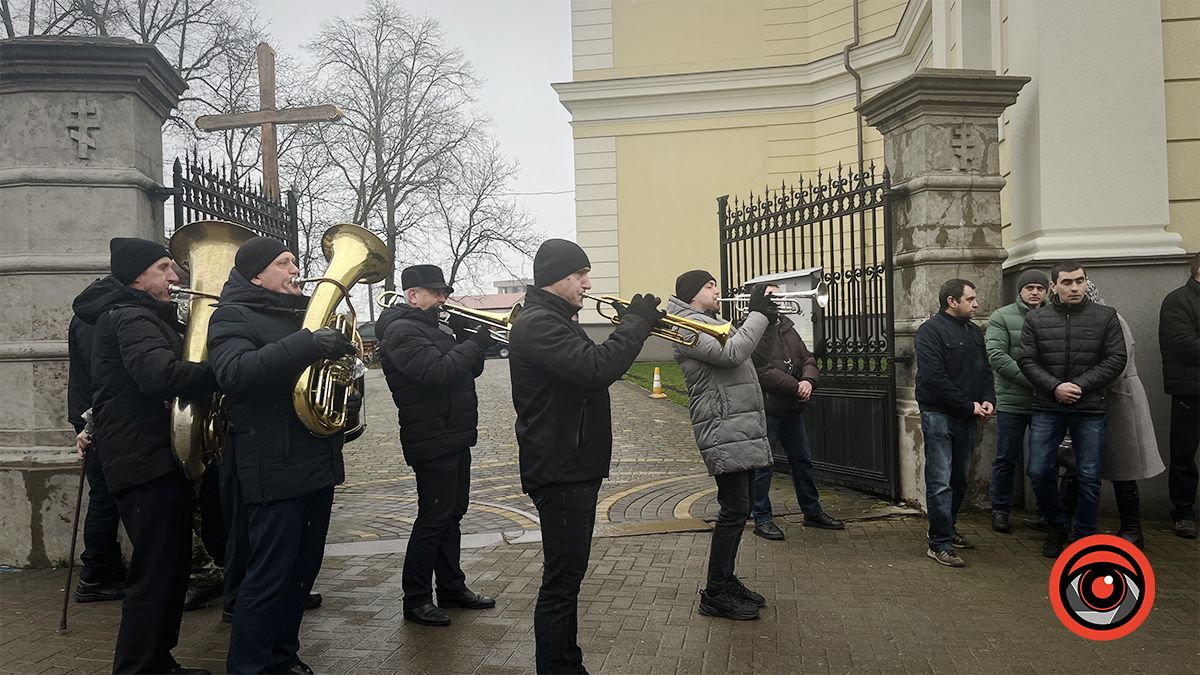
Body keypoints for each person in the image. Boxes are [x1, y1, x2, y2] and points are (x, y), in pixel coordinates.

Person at [509, 238, 662, 674]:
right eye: (580, 275)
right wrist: (634, 325)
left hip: (570, 464)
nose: (587, 283)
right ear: (558, 279)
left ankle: (566, 662)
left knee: (569, 578)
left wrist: (635, 324)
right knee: (562, 581)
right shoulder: (539, 323)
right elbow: (597, 369)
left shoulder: (554, 318)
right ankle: (558, 667)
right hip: (560, 469)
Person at [208, 237, 359, 675]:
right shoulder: (232, 315)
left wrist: (344, 392)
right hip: (272, 465)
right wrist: (310, 343)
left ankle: (281, 656)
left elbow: (317, 382)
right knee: (269, 577)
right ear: (257, 274)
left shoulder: (299, 317)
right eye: (283, 262)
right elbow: (235, 374)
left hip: (314, 462)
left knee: (301, 573)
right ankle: (249, 667)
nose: (296, 268)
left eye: (294, 260)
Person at [74, 237, 219, 674]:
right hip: (143, 462)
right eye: (163, 268)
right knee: (156, 573)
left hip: (152, 458)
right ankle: (139, 667)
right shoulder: (131, 316)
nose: (175, 277)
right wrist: (224, 373)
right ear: (137, 276)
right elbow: (159, 376)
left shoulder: (143, 315)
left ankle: (156, 660)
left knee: (170, 569)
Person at [376, 264, 496, 627]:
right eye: (436, 293)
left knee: (452, 514)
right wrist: (473, 344)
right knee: (433, 518)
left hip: (451, 434)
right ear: (413, 295)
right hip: (432, 438)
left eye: (445, 292)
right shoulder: (400, 332)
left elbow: (464, 370)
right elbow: (437, 373)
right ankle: (415, 598)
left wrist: (464, 340)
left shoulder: (430, 327)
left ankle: (451, 587)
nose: (444, 299)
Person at [668, 271, 776, 619]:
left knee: (739, 509)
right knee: (733, 510)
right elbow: (731, 355)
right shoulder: (684, 326)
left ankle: (726, 581)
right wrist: (757, 314)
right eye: (709, 286)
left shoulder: (712, 322)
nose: (717, 290)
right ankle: (714, 592)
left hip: (737, 425)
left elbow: (753, 358)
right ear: (690, 295)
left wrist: (769, 322)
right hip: (721, 427)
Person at [1019, 261, 1126, 558]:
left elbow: (1116, 358)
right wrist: (1055, 387)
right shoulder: (1036, 319)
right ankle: (1057, 525)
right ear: (1054, 286)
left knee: (1089, 475)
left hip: (1088, 406)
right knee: (1039, 471)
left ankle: (1085, 537)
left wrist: (1078, 386)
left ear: (1086, 281)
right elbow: (1027, 360)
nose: (1074, 287)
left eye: (1079, 281)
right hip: (1047, 405)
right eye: (1067, 282)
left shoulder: (1106, 317)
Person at [749, 283, 842, 540]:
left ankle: (812, 512)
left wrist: (808, 381)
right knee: (763, 467)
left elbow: (808, 359)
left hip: (791, 409)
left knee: (803, 462)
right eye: (772, 297)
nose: (779, 300)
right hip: (767, 409)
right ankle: (762, 518)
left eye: (781, 296)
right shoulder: (753, 330)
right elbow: (758, 369)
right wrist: (795, 386)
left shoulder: (788, 328)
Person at [914, 279, 995, 567]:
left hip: (968, 415)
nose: (976, 304)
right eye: (970, 299)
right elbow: (933, 378)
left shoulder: (975, 333)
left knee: (958, 479)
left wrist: (987, 400)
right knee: (939, 480)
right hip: (938, 414)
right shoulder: (930, 331)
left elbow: (985, 371)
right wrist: (967, 404)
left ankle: (949, 527)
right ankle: (939, 543)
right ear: (952, 301)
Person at [1084, 282, 1164, 549]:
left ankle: (1132, 528)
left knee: (1124, 466)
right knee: (1079, 465)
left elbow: (1118, 361)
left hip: (1120, 398)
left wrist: (1083, 385)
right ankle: (1077, 524)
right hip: (1093, 398)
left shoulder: (1112, 318)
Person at [67, 287, 127, 603]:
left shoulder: (96, 307)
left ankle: (106, 567)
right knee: (105, 495)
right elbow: (102, 376)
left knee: (105, 494)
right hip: (97, 415)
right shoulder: (101, 314)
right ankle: (96, 573)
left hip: (94, 411)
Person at [984, 270, 1048, 533]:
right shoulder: (1002, 316)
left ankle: (1047, 511)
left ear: (1048, 291)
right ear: (1020, 291)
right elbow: (997, 356)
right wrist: (1037, 380)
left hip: (1045, 402)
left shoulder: (1054, 315)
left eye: (1040, 288)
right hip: (1012, 400)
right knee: (1006, 457)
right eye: (1029, 288)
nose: (1035, 292)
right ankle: (1000, 509)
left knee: (1045, 460)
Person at [1159, 253, 1200, 539]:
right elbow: (1183, 344)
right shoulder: (1177, 301)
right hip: (1191, 391)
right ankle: (1183, 513)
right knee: (1184, 455)